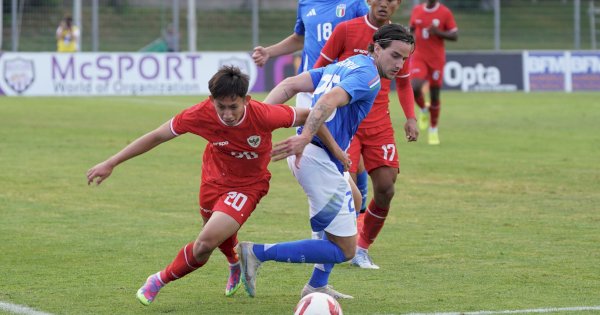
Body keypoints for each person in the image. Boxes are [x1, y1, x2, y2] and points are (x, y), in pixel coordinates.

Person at [86, 66, 322, 306]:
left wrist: (314, 143)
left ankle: (158, 279)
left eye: (234, 107)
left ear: (246, 100)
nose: (228, 114)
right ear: (212, 101)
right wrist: (111, 162)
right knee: (216, 233)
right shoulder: (198, 114)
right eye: (221, 107)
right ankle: (234, 262)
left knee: (205, 243)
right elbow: (157, 136)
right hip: (213, 179)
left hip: (248, 186)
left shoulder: (265, 114)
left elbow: (314, 115)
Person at [237, 24, 415, 300]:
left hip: (319, 155)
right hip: (314, 158)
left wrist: (258, 123)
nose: (400, 64)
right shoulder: (368, 76)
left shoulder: (348, 63)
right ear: (376, 48)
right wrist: (305, 136)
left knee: (355, 200)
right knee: (345, 250)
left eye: (405, 58)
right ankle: (256, 253)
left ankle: (317, 284)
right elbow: (328, 101)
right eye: (395, 55)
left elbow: (288, 85)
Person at [313, 0, 418, 269]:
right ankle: (324, 240)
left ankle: (361, 247)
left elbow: (404, 83)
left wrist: (410, 117)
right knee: (342, 187)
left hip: (379, 124)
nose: (385, 4)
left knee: (386, 187)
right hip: (348, 122)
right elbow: (319, 70)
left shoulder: (401, 42)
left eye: (392, 0)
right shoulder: (346, 30)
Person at [251, 0, 369, 109]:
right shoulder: (305, 3)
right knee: (305, 131)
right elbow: (299, 39)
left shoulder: (356, 2)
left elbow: (372, 29)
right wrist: (268, 52)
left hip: (341, 85)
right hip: (308, 85)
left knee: (333, 132)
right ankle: (255, 118)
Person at [409, 0, 458, 145]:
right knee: (415, 87)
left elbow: (455, 35)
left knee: (435, 96)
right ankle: (424, 109)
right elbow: (412, 29)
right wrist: (409, 42)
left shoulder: (445, 12)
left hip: (436, 59)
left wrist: (438, 32)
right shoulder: (417, 10)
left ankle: (433, 129)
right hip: (419, 56)